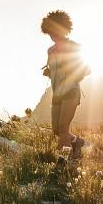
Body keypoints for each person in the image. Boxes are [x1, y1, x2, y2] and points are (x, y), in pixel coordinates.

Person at [41, 10, 90, 160]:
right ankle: (77, 142)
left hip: (71, 91)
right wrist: (49, 72)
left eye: (54, 31)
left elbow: (87, 69)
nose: (52, 36)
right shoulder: (50, 51)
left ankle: (62, 161)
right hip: (57, 93)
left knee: (63, 128)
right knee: (56, 129)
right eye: (50, 33)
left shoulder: (74, 47)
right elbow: (54, 69)